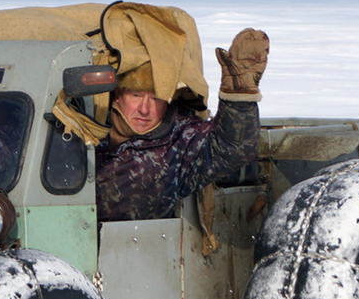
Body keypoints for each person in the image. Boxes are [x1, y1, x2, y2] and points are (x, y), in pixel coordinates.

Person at [95, 28, 268, 222]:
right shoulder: (86, 128)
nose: (144, 109)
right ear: (117, 95)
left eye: (155, 98)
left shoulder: (179, 140)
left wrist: (239, 96)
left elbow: (232, 148)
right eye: (136, 95)